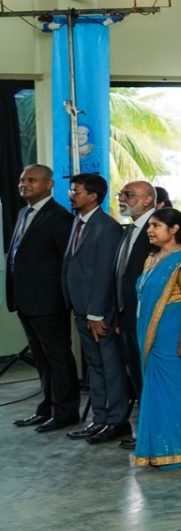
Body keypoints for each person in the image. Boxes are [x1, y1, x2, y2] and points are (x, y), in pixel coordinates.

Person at [130, 207, 181, 468]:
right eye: (149, 226)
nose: (150, 230)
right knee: (156, 391)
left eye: (156, 225)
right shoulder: (152, 258)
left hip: (174, 336)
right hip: (151, 335)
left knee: (176, 390)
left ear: (175, 228)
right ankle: (158, 448)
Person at [60, 173, 133, 442]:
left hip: (98, 312)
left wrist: (96, 312)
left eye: (76, 191)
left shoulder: (106, 227)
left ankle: (116, 421)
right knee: (95, 366)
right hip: (81, 308)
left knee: (110, 367)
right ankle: (99, 418)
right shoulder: (78, 222)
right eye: (71, 190)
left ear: (93, 196)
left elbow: (104, 273)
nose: (71, 195)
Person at [9, 164, 80, 433]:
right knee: (40, 358)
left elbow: (66, 262)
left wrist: (64, 299)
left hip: (49, 302)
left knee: (57, 357)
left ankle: (65, 412)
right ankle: (47, 408)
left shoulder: (59, 217)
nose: (24, 184)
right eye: (22, 179)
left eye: (32, 180)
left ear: (49, 184)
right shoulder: (23, 213)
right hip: (25, 300)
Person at [112, 179, 157, 409]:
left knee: (150, 373)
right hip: (126, 315)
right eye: (121, 194)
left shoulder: (158, 227)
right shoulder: (130, 229)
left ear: (148, 199)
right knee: (136, 371)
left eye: (129, 195)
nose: (122, 199)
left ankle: (156, 422)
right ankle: (145, 420)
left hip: (149, 315)